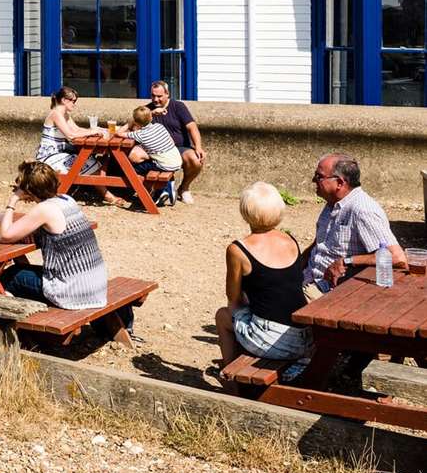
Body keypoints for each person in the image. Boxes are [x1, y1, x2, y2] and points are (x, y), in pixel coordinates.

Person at [0, 161, 129, 343]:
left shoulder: (43, 209)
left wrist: (12, 201)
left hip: (71, 292)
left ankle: (13, 333)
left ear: (28, 188)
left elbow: (4, 236)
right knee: (25, 273)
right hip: (94, 284)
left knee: (9, 276)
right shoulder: (68, 200)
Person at [215, 182, 313, 382]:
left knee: (223, 315)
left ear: (245, 212)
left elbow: (233, 298)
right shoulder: (290, 240)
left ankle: (230, 375)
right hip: (305, 337)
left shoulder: (238, 249)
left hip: (273, 341)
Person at [303, 153, 409, 298]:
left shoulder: (363, 210)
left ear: (340, 183)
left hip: (326, 292)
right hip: (308, 279)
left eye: (319, 176)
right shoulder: (332, 202)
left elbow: (397, 257)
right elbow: (320, 244)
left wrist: (347, 261)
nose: (313, 180)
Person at [146, 81, 207, 203]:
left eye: (159, 96)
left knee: (196, 160)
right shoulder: (148, 110)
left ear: (167, 94)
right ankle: (158, 189)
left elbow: (192, 127)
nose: (156, 99)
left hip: (180, 148)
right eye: (153, 96)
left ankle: (184, 188)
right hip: (158, 150)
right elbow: (134, 124)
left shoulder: (178, 106)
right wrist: (150, 114)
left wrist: (198, 147)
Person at [34, 86, 100, 174]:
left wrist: (93, 131)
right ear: (64, 100)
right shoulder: (56, 114)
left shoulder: (65, 115)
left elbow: (77, 129)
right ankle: (105, 188)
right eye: (73, 101)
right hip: (48, 157)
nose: (75, 104)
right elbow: (71, 135)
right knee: (88, 162)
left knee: (89, 159)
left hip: (58, 153)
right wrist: (91, 131)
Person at [127, 105, 185, 205]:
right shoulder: (159, 126)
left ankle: (160, 189)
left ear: (136, 122)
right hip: (177, 161)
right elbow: (171, 141)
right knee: (151, 162)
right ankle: (164, 189)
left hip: (165, 165)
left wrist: (129, 124)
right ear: (151, 118)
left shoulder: (139, 134)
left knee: (133, 168)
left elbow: (118, 133)